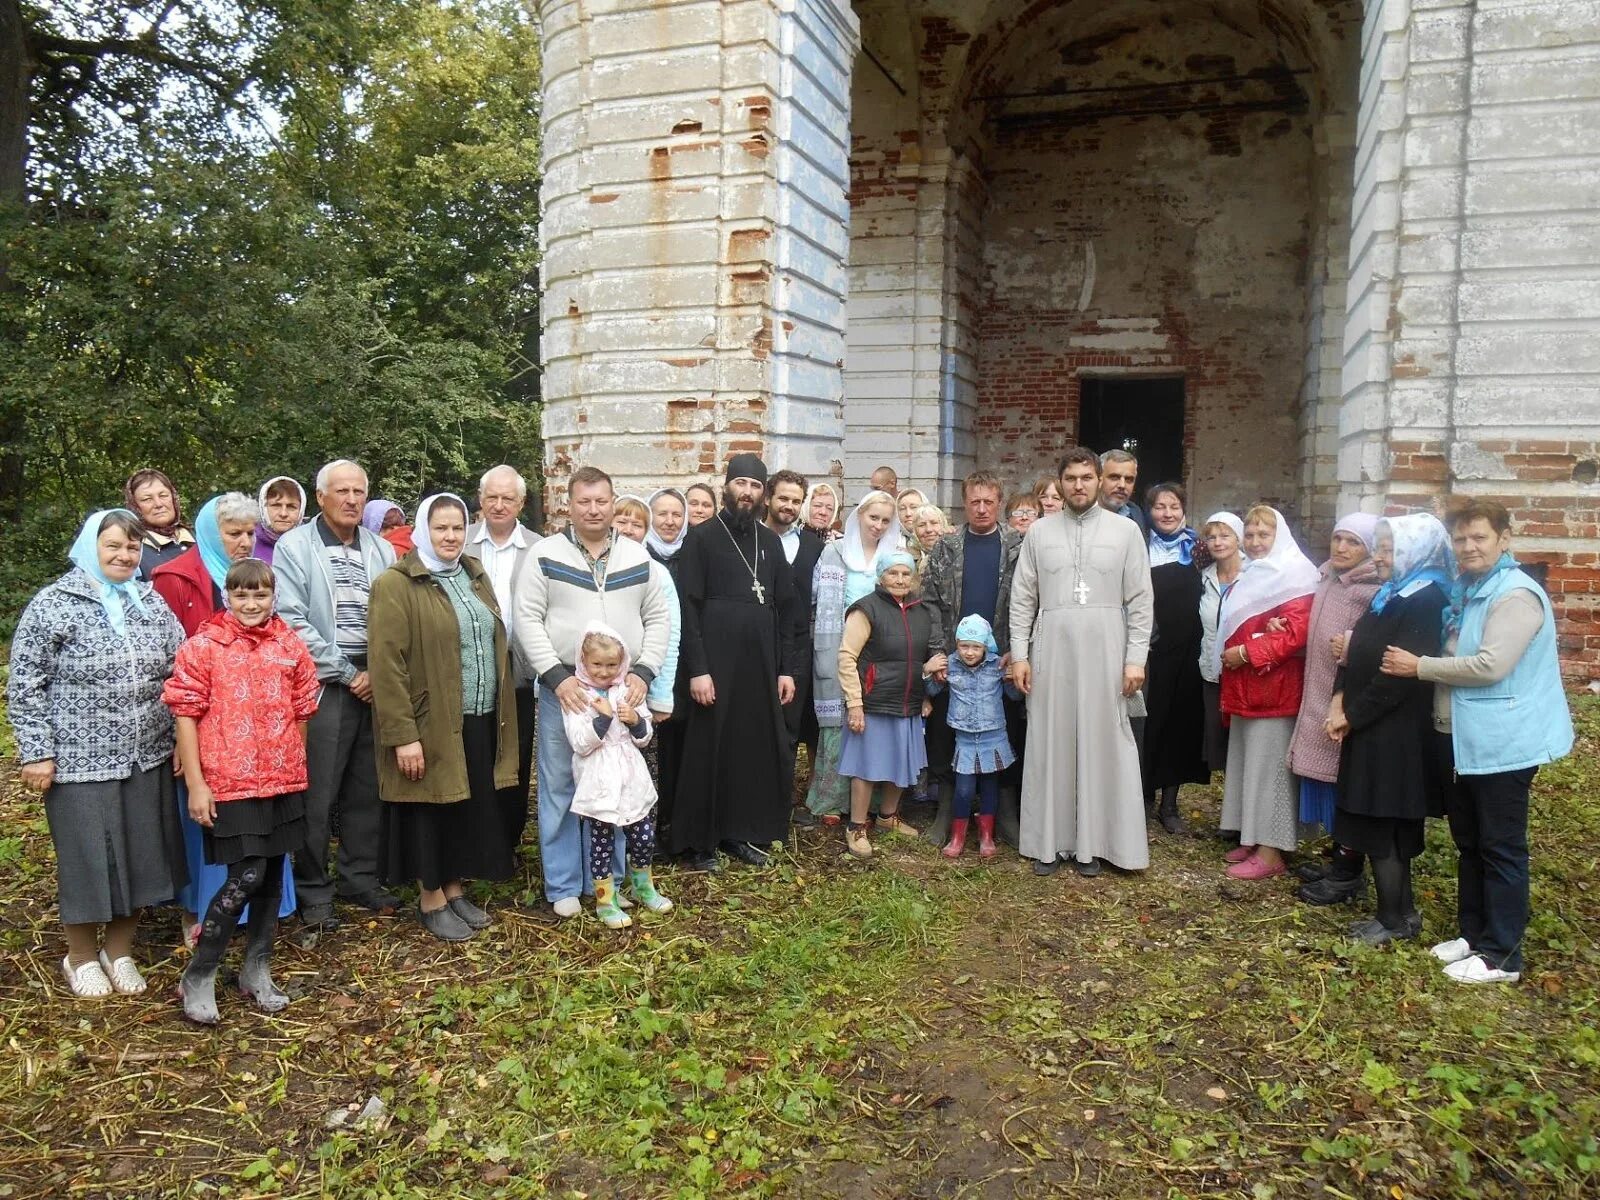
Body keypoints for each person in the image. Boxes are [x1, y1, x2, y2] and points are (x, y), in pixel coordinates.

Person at [1382, 499, 1574, 984]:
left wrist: (1418, 667)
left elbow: (1490, 665)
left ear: (1504, 538)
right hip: (1464, 736)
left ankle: (1502, 955)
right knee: (1470, 841)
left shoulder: (1515, 595)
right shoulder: (1469, 589)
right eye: (1461, 539)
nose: (1468, 547)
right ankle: (1474, 934)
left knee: (1501, 846)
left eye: (1479, 538)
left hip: (1503, 741)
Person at [8, 510, 187, 998]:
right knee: (89, 856)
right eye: (114, 546)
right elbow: (25, 684)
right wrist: (36, 752)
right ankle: (82, 955)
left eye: (132, 548)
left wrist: (181, 739)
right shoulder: (54, 604)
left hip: (146, 753)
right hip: (77, 758)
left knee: (142, 852)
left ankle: (120, 949)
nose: (124, 556)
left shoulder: (150, 603)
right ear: (91, 546)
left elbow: (181, 671)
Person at [164, 558, 318, 1023]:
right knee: (244, 875)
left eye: (261, 594)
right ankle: (201, 971)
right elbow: (185, 714)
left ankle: (257, 967)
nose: (252, 604)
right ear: (227, 596)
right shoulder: (204, 647)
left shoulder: (289, 645)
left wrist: (292, 764)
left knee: (272, 874)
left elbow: (302, 708)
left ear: (273, 596)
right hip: (230, 782)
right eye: (241, 594)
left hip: (282, 781)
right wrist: (197, 783)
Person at [514, 467, 670, 917]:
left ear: (612, 501)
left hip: (621, 688)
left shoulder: (637, 558)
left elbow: (658, 618)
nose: (594, 509)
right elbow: (527, 619)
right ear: (570, 503)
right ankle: (564, 883)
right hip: (567, 688)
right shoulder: (546, 554)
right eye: (584, 501)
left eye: (601, 500)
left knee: (617, 783)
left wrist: (644, 671)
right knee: (562, 783)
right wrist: (556, 677)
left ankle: (610, 883)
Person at [369, 494, 521, 941]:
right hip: (428, 718)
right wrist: (403, 736)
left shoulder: (473, 575)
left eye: (457, 528)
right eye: (441, 528)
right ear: (423, 531)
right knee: (428, 808)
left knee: (461, 803)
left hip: (476, 714)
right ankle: (430, 897)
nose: (451, 536)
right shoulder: (395, 584)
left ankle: (453, 889)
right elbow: (386, 664)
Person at [153, 494, 297, 942]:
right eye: (232, 533)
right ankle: (204, 914)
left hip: (264, 741)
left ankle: (265, 915)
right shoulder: (178, 579)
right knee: (210, 822)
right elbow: (168, 666)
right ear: (210, 535)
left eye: (250, 533)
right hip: (206, 733)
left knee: (264, 835)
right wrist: (180, 737)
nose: (243, 542)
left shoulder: (258, 580)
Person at [1011, 448, 1153, 877]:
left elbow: (1142, 600)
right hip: (1051, 648)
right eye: (1070, 478)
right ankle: (1049, 843)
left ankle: (1097, 844)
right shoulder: (1039, 533)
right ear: (1060, 482)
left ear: (1098, 480)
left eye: (1086, 478)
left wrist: (1135, 660)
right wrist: (1020, 654)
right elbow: (1022, 599)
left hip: (1107, 648)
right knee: (1051, 738)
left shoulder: (1126, 531)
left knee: (1103, 739)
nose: (1078, 485)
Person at [273, 459, 398, 931]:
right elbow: (290, 619)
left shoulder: (382, 550)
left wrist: (380, 674)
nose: (351, 500)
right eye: (341, 491)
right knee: (319, 792)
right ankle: (313, 889)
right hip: (326, 686)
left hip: (379, 683)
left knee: (369, 787)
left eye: (359, 492)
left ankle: (359, 878)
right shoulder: (295, 547)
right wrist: (347, 673)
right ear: (321, 497)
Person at [669, 454, 801, 870]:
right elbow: (687, 608)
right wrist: (698, 669)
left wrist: (785, 668)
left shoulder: (771, 542)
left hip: (760, 666)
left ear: (763, 493)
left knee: (749, 747)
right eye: (740, 483)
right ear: (726, 487)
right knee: (709, 748)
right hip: (714, 667)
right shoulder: (702, 538)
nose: (747, 492)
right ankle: (700, 841)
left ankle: (739, 832)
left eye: (755, 485)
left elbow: (786, 611)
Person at [1324, 514, 1451, 945]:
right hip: (1373, 726)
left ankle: (1393, 919)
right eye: (1379, 547)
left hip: (1395, 734)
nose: (1379, 556)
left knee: (1386, 824)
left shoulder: (1426, 599)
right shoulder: (1394, 592)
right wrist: (1341, 698)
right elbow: (1358, 650)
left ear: (1416, 552)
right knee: (1381, 822)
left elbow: (1397, 674)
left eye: (1389, 549)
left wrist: (1352, 714)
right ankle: (1400, 913)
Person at [1215, 506, 1319, 881]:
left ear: (1281, 537)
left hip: (1276, 688)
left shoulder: (1298, 575)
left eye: (1264, 535)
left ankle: (1272, 849)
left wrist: (1245, 652)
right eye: (1251, 535)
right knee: (1247, 763)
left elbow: (1296, 633)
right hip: (1247, 686)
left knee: (1272, 768)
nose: (1256, 543)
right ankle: (1253, 835)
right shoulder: (1255, 574)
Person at [919, 470, 1022, 845]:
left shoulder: (1017, 546)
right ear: (965, 503)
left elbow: (1029, 600)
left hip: (1001, 661)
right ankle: (946, 809)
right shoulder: (946, 547)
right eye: (974, 501)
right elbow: (929, 601)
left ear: (999, 502)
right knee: (948, 734)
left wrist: (1019, 651)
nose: (981, 509)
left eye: (988, 502)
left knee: (1006, 731)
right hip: (954, 657)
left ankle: (1005, 812)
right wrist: (936, 652)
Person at [1286, 513, 1381, 905]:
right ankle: (1338, 859)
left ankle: (1348, 870)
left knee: (1345, 781)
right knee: (1325, 779)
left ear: (1370, 550)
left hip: (1342, 698)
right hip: (1317, 689)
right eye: (1337, 537)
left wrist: (1355, 646)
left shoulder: (1371, 590)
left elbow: (1375, 642)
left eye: (1353, 542)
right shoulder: (1327, 578)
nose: (1341, 547)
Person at [564, 623, 674, 928]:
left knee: (642, 835)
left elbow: (645, 736)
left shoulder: (627, 689)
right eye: (597, 664)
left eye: (611, 665)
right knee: (601, 841)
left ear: (622, 663)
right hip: (598, 777)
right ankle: (605, 901)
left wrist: (636, 721)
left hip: (630, 775)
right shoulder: (578, 694)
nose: (603, 671)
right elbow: (579, 742)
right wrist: (603, 720)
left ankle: (642, 887)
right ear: (583, 661)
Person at [805, 491, 903, 822]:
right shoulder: (835, 551)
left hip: (880, 646)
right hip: (841, 641)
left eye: (885, 520)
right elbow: (817, 598)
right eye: (873, 517)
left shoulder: (895, 554)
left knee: (871, 721)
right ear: (860, 516)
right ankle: (833, 799)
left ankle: (870, 802)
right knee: (840, 721)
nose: (878, 525)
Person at [837, 551, 940, 857]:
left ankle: (887, 817)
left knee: (901, 761)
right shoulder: (866, 609)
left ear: (913, 577)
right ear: (881, 576)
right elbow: (846, 657)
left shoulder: (921, 612)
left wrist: (925, 696)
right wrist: (854, 703)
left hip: (907, 701)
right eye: (892, 573)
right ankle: (856, 827)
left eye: (905, 574)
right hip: (873, 701)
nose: (899, 579)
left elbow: (922, 660)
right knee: (866, 767)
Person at [464, 464, 540, 840]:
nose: (498, 505)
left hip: (518, 666)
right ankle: (476, 836)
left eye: (507, 498)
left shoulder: (538, 548)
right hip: (470, 668)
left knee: (516, 750)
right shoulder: (461, 543)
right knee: (475, 747)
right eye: (491, 497)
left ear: (521, 502)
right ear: (480, 500)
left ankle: (508, 837)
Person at [1141, 483, 1209, 834]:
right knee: (1146, 724)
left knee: (1178, 725)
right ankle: (1141, 797)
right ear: (1149, 511)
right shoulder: (1140, 547)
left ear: (1184, 509)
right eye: (1159, 506)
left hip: (1186, 654)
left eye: (1174, 506)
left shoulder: (1199, 549)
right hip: (1149, 652)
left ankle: (1170, 804)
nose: (1167, 513)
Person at [927, 615, 1015, 860]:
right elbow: (932, 690)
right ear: (956, 643)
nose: (969, 652)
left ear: (986, 646)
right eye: (964, 646)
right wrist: (928, 671)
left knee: (989, 787)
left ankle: (986, 836)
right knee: (963, 790)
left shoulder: (997, 665)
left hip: (993, 737)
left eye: (976, 647)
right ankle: (958, 837)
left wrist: (1012, 678)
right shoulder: (950, 664)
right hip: (964, 739)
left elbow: (1015, 697)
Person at [613, 495, 682, 785]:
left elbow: (669, 632)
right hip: (598, 686)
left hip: (638, 688)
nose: (629, 529)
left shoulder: (658, 573)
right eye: (622, 521)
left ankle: (640, 831)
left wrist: (662, 695)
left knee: (638, 773)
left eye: (637, 524)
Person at [765, 469, 824, 800]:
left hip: (798, 647)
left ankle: (782, 800)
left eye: (796, 501)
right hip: (756, 644)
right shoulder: (752, 540)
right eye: (783, 498)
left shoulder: (813, 547)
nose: (789, 505)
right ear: (769, 498)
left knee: (789, 727)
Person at [645, 488, 691, 835]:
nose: (670, 521)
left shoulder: (692, 553)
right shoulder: (639, 554)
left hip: (685, 663)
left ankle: (672, 818)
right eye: (662, 514)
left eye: (677, 514)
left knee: (677, 744)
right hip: (646, 662)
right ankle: (645, 821)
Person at [1197, 513, 1244, 775]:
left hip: (1243, 670)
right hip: (1211, 672)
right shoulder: (1204, 577)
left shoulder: (1254, 575)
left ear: (1238, 538)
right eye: (1212, 537)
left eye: (1225, 535)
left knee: (1241, 743)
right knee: (1217, 741)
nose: (1218, 542)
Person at [124, 468, 195, 579]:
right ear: (135, 506)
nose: (158, 504)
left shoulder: (198, 537)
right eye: (147, 499)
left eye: (163, 496)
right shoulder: (134, 550)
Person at [253, 476, 306, 565]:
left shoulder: (311, 546)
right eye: (276, 505)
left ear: (301, 510)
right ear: (263, 508)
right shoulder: (248, 543)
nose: (283, 514)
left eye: (291, 507)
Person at [1098, 449, 1147, 535]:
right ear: (1099, 478)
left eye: (1129, 480)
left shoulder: (1136, 513)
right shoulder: (1082, 512)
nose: (1122, 485)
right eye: (1114, 477)